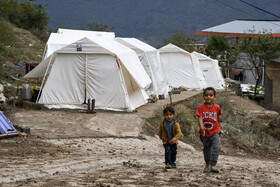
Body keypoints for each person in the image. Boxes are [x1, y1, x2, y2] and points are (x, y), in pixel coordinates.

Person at [196, 87, 222, 173]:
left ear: (214, 97)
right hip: (204, 132)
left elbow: (217, 118)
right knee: (207, 149)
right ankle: (207, 164)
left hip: (215, 131)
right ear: (203, 96)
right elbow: (200, 118)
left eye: (211, 95)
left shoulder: (217, 107)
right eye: (206, 95)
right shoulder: (200, 107)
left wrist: (218, 129)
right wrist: (201, 127)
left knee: (216, 147)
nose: (208, 97)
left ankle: (213, 165)